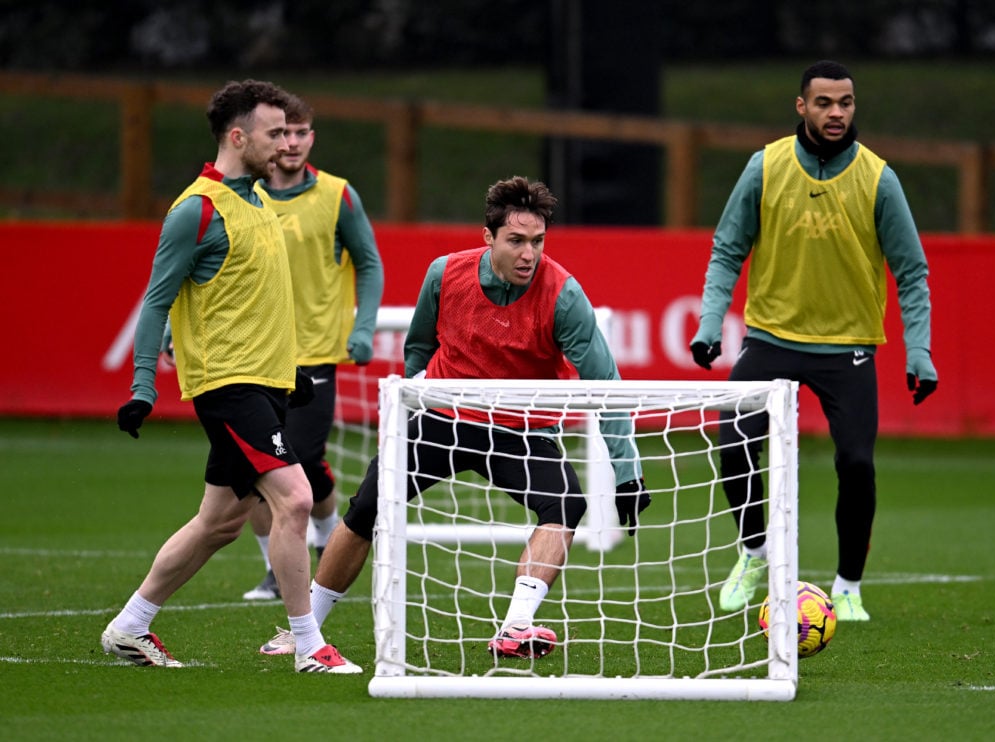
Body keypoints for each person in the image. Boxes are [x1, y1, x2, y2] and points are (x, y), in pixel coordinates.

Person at [258, 175, 651, 661]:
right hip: (442, 417)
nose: (529, 254)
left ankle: (516, 627)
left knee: (567, 503)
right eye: (516, 241)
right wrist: (407, 408)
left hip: (518, 427)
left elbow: (605, 384)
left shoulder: (563, 295)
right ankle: (305, 631)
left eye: (538, 241)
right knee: (366, 511)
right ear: (488, 238)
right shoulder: (444, 273)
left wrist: (627, 471)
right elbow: (419, 344)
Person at [103, 79, 360, 673]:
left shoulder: (259, 203)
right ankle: (308, 645)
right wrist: (144, 383)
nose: (286, 144)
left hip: (266, 385)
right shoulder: (196, 209)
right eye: (274, 133)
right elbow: (156, 301)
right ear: (238, 136)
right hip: (228, 386)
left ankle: (129, 626)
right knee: (295, 499)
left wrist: (290, 369)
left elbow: (257, 301)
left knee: (218, 523)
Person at [689, 60, 938, 622]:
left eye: (845, 103)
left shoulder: (879, 178)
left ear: (854, 107)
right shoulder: (765, 166)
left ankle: (848, 585)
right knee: (733, 445)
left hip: (847, 347)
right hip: (771, 338)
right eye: (824, 102)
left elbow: (912, 271)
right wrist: (711, 322)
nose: (836, 113)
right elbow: (728, 249)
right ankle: (755, 555)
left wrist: (918, 350)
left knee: (856, 464)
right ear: (801, 107)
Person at [241, 93, 384, 602]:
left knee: (297, 457)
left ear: (312, 138)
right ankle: (275, 572)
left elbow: (369, 262)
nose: (292, 143)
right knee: (252, 466)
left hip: (315, 352)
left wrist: (362, 327)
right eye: (283, 133)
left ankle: (323, 542)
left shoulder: (337, 195)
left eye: (302, 133)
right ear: (267, 139)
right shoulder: (241, 195)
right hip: (253, 353)